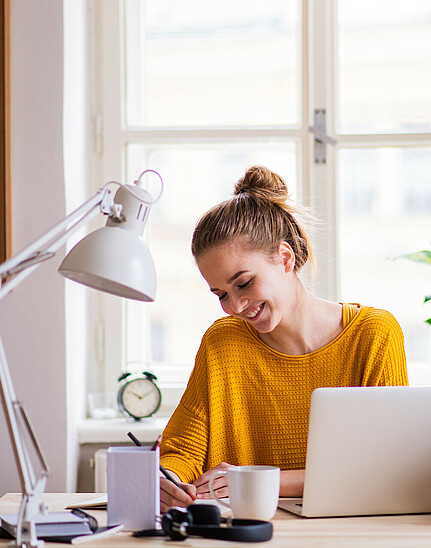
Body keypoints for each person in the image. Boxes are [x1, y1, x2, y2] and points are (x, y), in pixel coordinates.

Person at [158, 166, 408, 512]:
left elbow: (384, 465)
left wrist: (257, 479)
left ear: (285, 258)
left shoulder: (373, 334)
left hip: (348, 532)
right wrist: (167, 480)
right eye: (221, 294)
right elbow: (182, 450)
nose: (236, 306)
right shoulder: (222, 343)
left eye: (244, 283)